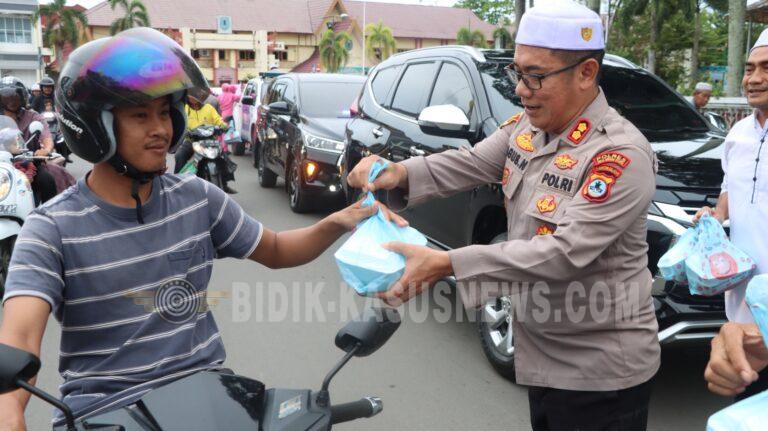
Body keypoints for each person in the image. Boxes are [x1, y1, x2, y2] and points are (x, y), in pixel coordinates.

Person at [0, 27, 405, 430]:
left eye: (164, 113)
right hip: (104, 415)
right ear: (93, 127)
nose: (160, 129)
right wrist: (9, 409)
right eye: (140, 115)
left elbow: (278, 249)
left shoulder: (196, 197)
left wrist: (339, 221)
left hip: (209, 402)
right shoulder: (50, 228)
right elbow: (19, 337)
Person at [349, 1, 659, 429]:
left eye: (536, 76)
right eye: (518, 73)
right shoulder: (527, 129)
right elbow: (469, 163)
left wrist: (447, 264)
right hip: (543, 355)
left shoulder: (618, 154)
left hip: (599, 372)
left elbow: (563, 252)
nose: (520, 89)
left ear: (586, 73)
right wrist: (397, 172)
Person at [696, 28, 768, 401]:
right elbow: (731, 186)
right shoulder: (737, 133)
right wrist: (715, 212)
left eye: (767, 67)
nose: (754, 78)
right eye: (750, 68)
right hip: (742, 315)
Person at [0, 77, 58, 204]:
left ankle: (50, 215)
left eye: (15, 97)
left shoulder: (33, 117)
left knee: (47, 180)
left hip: (29, 163)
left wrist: (45, 150)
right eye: (6, 97)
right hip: (2, 164)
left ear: (22, 98)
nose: (11, 101)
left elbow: (46, 137)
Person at [174, 94, 238, 193]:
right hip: (192, 141)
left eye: (196, 94)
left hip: (210, 141)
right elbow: (181, 123)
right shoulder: (185, 109)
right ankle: (177, 186)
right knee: (179, 155)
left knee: (224, 158)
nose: (193, 97)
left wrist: (224, 126)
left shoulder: (209, 108)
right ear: (188, 97)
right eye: (191, 95)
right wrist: (183, 130)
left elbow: (218, 120)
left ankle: (224, 184)